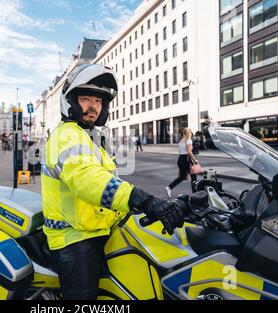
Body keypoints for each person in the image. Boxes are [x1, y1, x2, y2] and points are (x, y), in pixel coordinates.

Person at [41, 64, 184, 300]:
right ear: (71, 102)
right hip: (74, 240)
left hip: (99, 230)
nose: (93, 106)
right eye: (86, 98)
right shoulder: (67, 136)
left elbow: (110, 183)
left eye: (98, 101)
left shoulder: (91, 138)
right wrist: (142, 200)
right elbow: (90, 181)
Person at [166, 128, 200, 198]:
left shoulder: (181, 141)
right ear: (189, 133)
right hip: (187, 159)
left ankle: (169, 187)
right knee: (193, 177)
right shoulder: (189, 140)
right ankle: (195, 194)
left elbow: (180, 152)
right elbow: (189, 152)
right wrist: (195, 160)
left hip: (180, 159)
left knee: (182, 177)